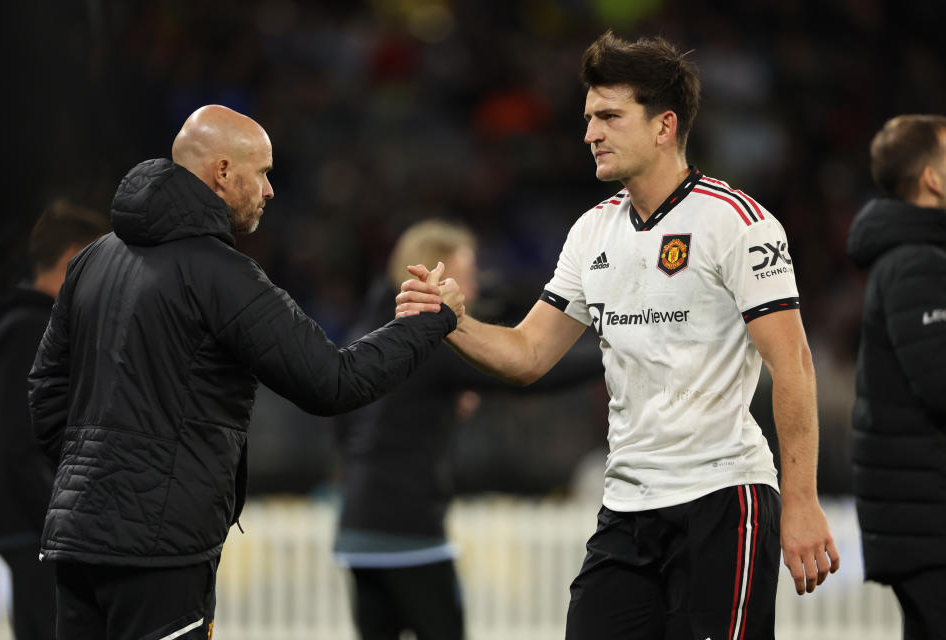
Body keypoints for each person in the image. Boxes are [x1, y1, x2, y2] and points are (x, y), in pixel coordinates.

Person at [398, 32, 839, 639]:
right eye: (587, 118)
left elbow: (793, 366)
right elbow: (527, 355)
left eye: (608, 116)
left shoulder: (737, 222)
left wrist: (803, 500)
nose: (590, 133)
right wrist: (453, 321)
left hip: (723, 500)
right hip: (628, 510)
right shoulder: (591, 231)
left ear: (664, 127)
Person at [26, 104, 464, 640]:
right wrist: (429, 322)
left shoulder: (93, 260)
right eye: (263, 172)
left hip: (77, 542)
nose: (271, 189)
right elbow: (332, 382)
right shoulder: (221, 273)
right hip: (162, 551)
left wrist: (96, 479)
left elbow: (45, 393)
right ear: (223, 172)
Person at [334, 219, 601, 640]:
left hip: (356, 529)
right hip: (409, 527)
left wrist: (431, 406)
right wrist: (611, 350)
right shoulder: (427, 336)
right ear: (433, 275)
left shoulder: (368, 327)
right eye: (468, 277)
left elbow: (345, 422)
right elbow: (528, 371)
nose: (474, 290)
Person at [0, 201, 109, 640]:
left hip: (39, 527)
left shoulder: (31, 327)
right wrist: (67, 526)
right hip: (39, 530)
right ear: (74, 258)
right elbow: (22, 445)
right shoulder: (28, 331)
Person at [846, 114, 946, 640]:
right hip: (929, 522)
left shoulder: (917, 258)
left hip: (921, 517)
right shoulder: (916, 264)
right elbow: (939, 382)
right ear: (932, 179)